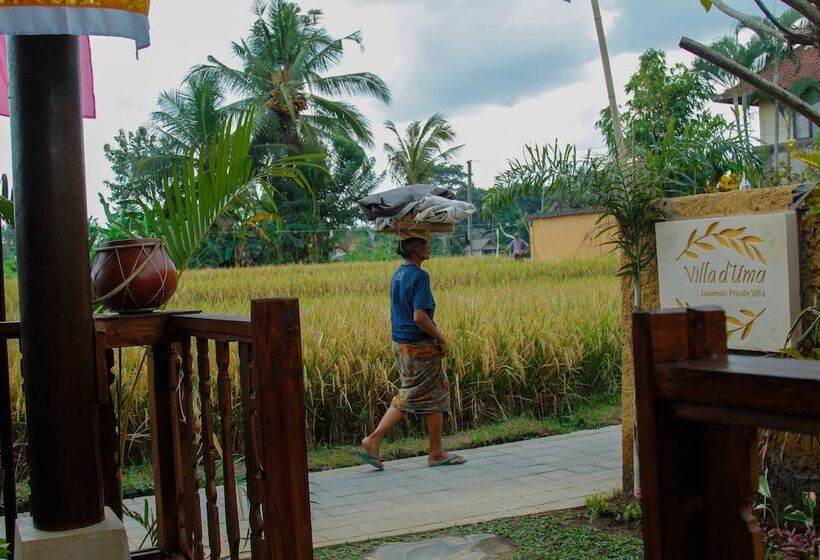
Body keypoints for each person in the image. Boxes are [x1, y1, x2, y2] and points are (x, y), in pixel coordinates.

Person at [355, 236, 466, 470]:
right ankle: (376, 439)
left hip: (401, 343)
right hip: (419, 345)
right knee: (421, 394)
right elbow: (419, 316)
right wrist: (440, 337)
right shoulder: (419, 276)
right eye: (425, 244)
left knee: (427, 393)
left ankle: (435, 451)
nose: (429, 247)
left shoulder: (398, 274)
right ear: (416, 249)